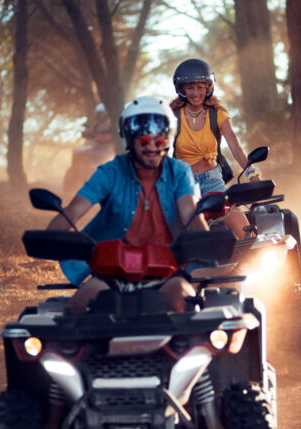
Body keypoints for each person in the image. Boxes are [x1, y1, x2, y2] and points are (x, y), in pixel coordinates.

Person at [49, 96, 208, 315]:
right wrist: (51, 237)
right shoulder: (109, 172)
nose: (151, 145)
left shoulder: (179, 172)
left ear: (168, 138)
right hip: (110, 272)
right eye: (143, 139)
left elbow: (191, 214)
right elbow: (73, 212)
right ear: (129, 139)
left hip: (168, 271)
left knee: (188, 305)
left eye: (158, 139)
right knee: (75, 311)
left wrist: (206, 241)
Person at [170, 59, 260, 236]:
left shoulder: (218, 114)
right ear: (181, 89)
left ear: (208, 87)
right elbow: (161, 152)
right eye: (190, 88)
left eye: (200, 87)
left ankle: (251, 261)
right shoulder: (172, 117)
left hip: (213, 180)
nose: (196, 93)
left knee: (245, 230)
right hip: (184, 183)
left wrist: (252, 173)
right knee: (181, 232)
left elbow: (235, 148)